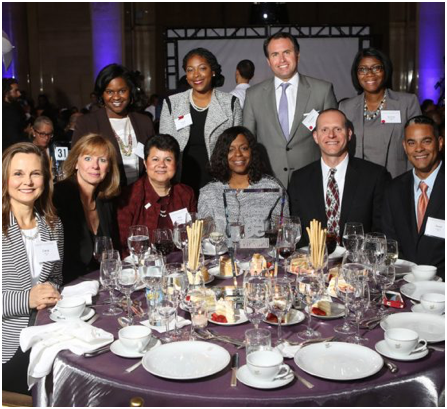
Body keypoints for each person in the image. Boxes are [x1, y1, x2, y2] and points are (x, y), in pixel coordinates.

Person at [2, 142, 63, 395]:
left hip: (48, 333)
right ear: (5, 177)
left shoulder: (52, 224)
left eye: (35, 173)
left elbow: (57, 278)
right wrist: (28, 299)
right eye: (18, 173)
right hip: (7, 345)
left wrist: (52, 292)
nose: (27, 181)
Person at [243, 32, 337, 188]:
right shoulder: (253, 95)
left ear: (297, 55)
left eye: (287, 52)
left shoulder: (322, 90)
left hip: (312, 180)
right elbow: (248, 141)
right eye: (275, 54)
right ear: (268, 61)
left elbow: (333, 140)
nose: (282, 60)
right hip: (267, 181)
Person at [289, 109, 390, 247]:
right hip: (312, 264)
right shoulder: (299, 180)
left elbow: (381, 231)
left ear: (349, 134)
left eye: (337, 129)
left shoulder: (374, 176)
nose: (331, 135)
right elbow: (297, 233)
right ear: (315, 137)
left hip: (358, 265)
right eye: (324, 130)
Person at [159, 48, 243, 196]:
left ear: (213, 71)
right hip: (181, 180)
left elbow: (239, 146)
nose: (196, 75)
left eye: (202, 68)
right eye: (190, 70)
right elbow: (164, 147)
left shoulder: (230, 103)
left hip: (219, 181)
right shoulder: (172, 103)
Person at [339, 48, 421, 178]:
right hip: (359, 182)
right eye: (363, 69)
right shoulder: (346, 107)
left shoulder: (407, 103)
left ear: (385, 70)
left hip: (396, 180)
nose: (370, 74)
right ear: (356, 74)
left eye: (376, 68)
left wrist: (411, 182)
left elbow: (417, 146)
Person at [382, 116, 444, 279]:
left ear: (440, 143)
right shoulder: (393, 190)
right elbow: (390, 245)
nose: (419, 149)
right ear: (404, 146)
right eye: (412, 143)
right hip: (404, 285)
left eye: (426, 141)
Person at [72, 64, 155, 186]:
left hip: (140, 197)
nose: (116, 97)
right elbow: (75, 163)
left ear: (130, 92)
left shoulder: (144, 122)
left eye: (122, 91)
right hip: (104, 196)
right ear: (102, 94)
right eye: (109, 92)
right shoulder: (87, 123)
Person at [53, 134, 120, 284]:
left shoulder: (106, 201)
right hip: (67, 285)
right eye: (88, 158)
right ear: (76, 162)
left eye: (102, 160)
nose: (95, 166)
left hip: (98, 284)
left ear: (108, 167)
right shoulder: (58, 196)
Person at [198, 126, 289, 236]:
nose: (238, 154)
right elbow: (204, 238)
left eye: (244, 148)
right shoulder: (208, 193)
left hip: (262, 253)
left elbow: (284, 235)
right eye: (230, 150)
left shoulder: (274, 189)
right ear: (222, 155)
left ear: (252, 152)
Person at [117, 134, 197, 257]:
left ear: (176, 164)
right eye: (155, 159)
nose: (162, 165)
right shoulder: (130, 195)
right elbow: (123, 246)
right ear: (145, 162)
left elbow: (193, 239)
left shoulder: (186, 193)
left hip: (180, 267)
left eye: (168, 159)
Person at [2, 78, 27, 151]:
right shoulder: (8, 111)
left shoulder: (11, 108)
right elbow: (14, 138)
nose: (19, 94)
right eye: (16, 91)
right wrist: (26, 133)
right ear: (6, 93)